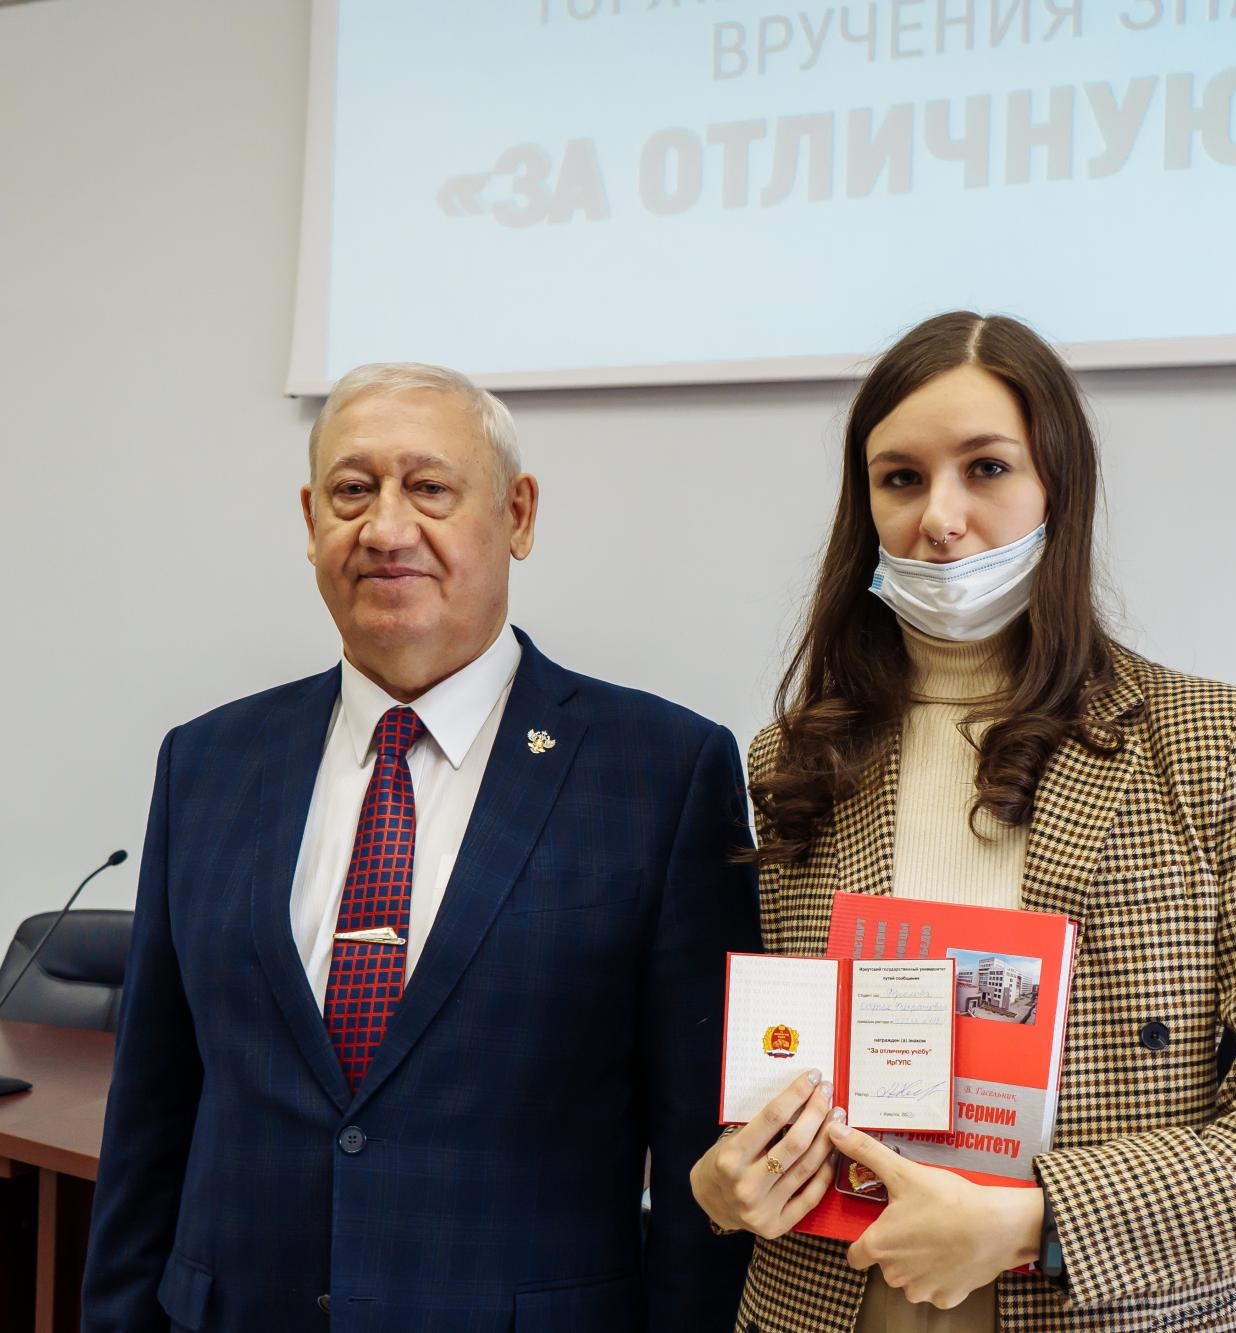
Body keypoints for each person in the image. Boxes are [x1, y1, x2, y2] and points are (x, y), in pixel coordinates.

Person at [691, 313, 1236, 1333]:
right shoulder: (793, 759)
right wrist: (723, 1183)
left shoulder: (1207, 744)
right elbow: (761, 1079)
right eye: (900, 478)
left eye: (986, 468)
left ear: (1058, 486)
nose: (940, 517)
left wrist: (1037, 1220)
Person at [83, 363, 758, 1332]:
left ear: (517, 514)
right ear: (311, 520)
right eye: (352, 491)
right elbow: (150, 1115)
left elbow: (705, 1153)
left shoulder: (661, 773)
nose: (386, 528)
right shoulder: (208, 763)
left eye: (430, 487)